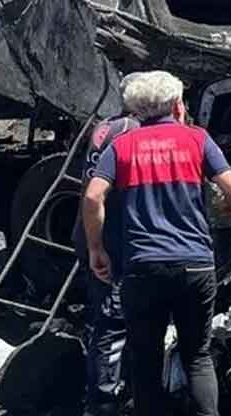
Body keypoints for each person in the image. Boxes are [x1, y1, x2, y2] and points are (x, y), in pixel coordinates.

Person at [82, 71, 231, 416]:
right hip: (196, 266)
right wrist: (227, 206)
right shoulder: (197, 140)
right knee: (197, 355)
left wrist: (96, 248)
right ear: (176, 105)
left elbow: (93, 196)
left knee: (145, 355)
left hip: (143, 268)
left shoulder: (121, 147)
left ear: (139, 111)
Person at [71, 111, 141, 416]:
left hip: (90, 234)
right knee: (113, 322)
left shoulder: (108, 125)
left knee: (105, 318)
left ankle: (108, 391)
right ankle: (103, 403)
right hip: (110, 240)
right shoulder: (133, 132)